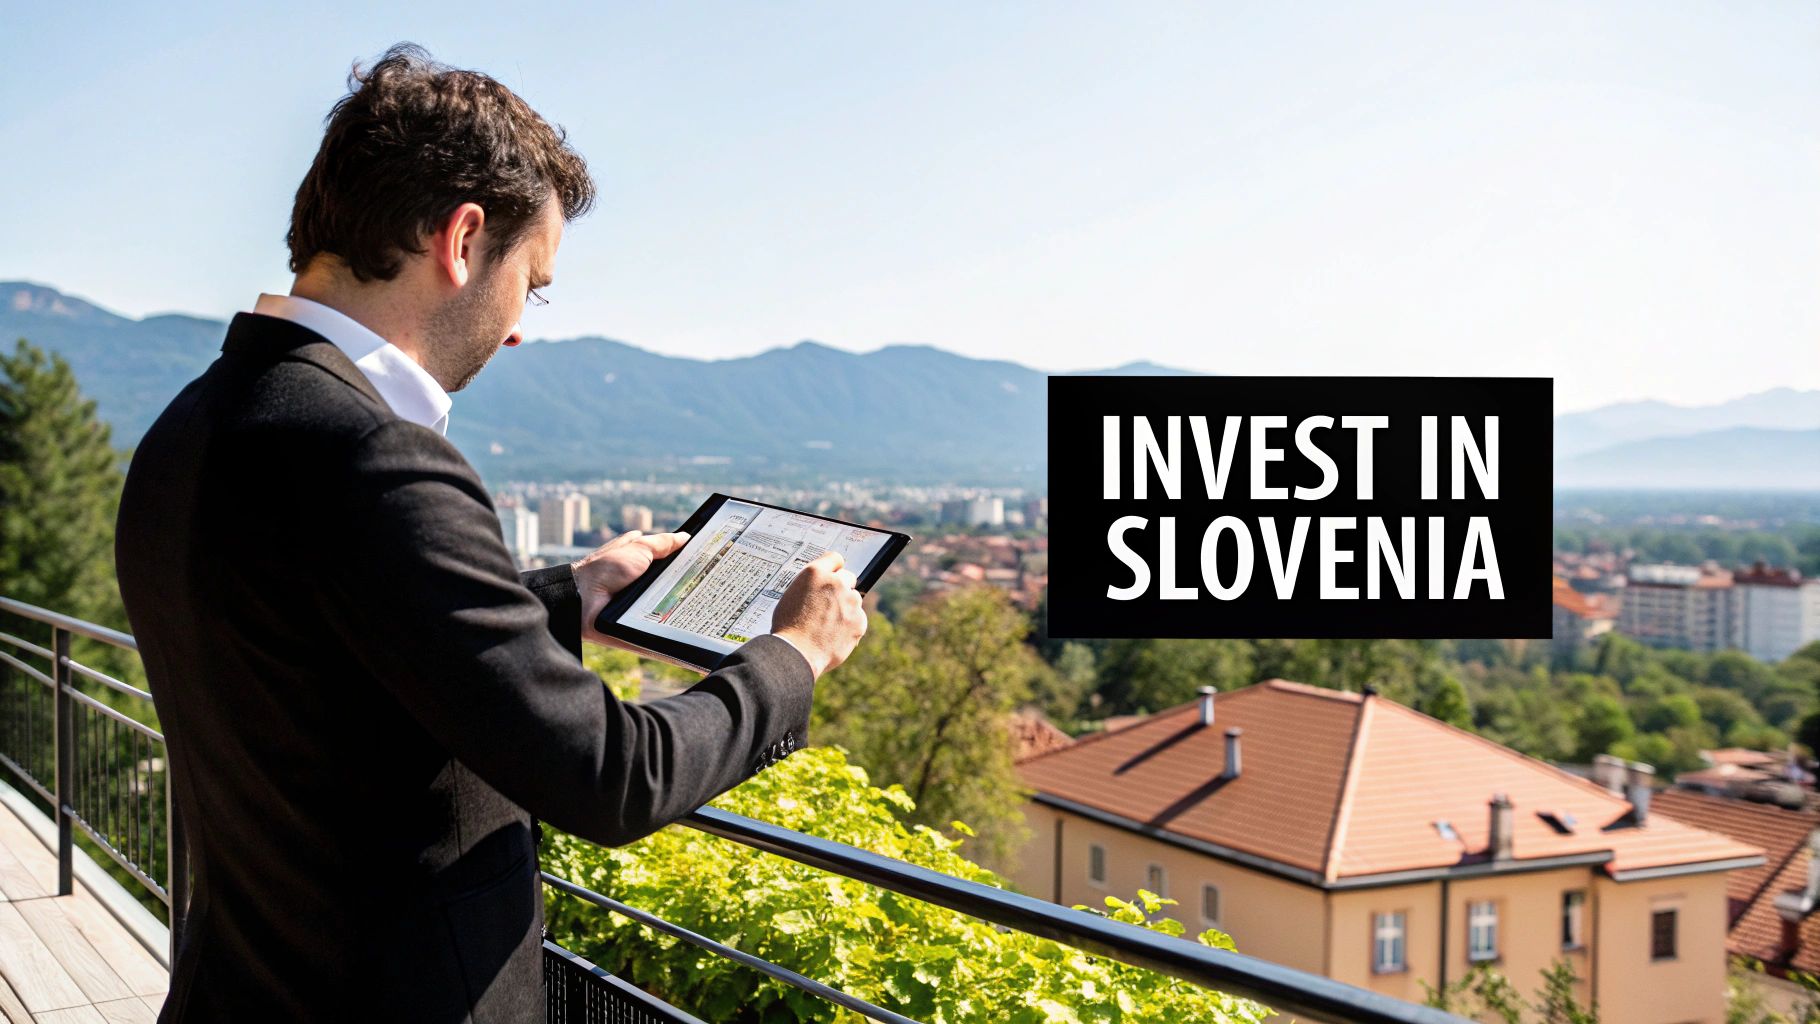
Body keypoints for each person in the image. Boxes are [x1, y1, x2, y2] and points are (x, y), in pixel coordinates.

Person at [113, 44, 868, 1022]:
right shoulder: (375, 458)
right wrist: (792, 656)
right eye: (534, 281)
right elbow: (613, 775)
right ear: (464, 240)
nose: (519, 326)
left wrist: (567, 595)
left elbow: (340, 637)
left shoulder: (200, 421)